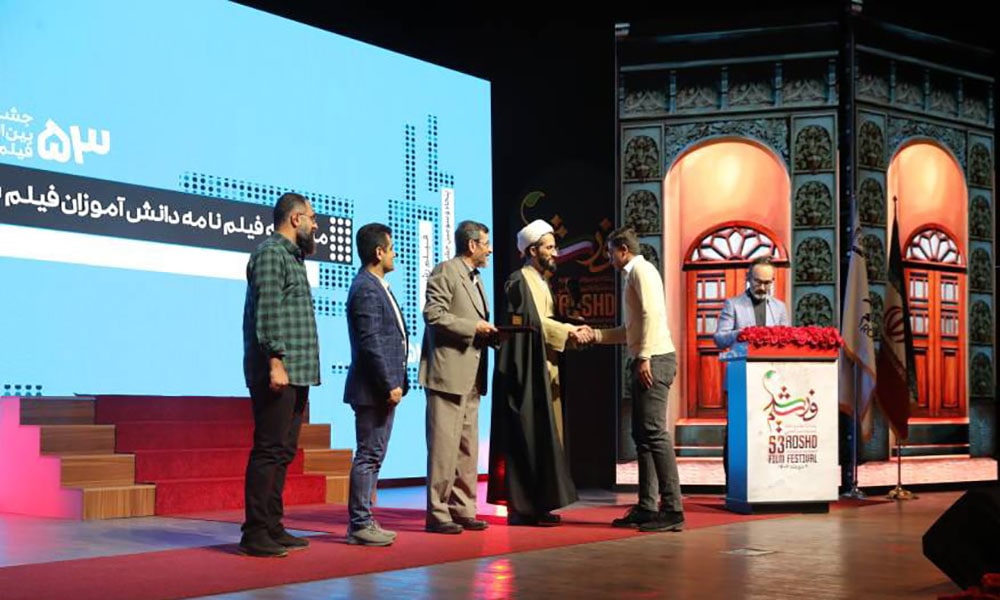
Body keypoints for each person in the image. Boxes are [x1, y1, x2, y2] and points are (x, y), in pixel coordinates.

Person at [488, 219, 593, 526]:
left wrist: (570, 326)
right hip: (525, 374)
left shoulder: (541, 280)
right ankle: (523, 508)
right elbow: (531, 325)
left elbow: (543, 322)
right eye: (549, 247)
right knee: (527, 438)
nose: (555, 253)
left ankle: (540, 504)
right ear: (532, 251)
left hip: (546, 367)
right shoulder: (518, 281)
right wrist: (569, 331)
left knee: (545, 439)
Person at [240, 192, 320, 557]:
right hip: (278, 370)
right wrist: (275, 362)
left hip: (297, 371)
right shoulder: (271, 254)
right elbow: (268, 312)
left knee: (283, 451)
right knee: (269, 449)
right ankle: (255, 531)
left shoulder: (293, 257)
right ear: (295, 218)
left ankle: (272, 525)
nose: (316, 226)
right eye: (312, 219)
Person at [592, 226, 684, 533]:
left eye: (610, 252)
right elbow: (630, 329)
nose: (608, 258)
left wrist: (644, 356)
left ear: (623, 250)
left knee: (654, 434)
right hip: (647, 358)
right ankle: (647, 506)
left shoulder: (642, 271)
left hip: (655, 359)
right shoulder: (632, 275)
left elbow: (651, 315)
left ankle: (673, 509)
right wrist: (595, 335)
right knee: (642, 436)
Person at [418, 220, 497, 534]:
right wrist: (473, 327)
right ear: (472, 245)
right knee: (443, 448)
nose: (490, 249)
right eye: (486, 244)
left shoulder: (476, 278)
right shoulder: (446, 271)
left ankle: (463, 508)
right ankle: (438, 513)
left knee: (467, 448)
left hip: (472, 374)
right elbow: (433, 314)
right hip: (447, 374)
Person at [344, 223, 409, 546]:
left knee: (374, 455)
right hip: (373, 389)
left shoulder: (377, 285)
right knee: (368, 455)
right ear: (379, 252)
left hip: (381, 388)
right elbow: (370, 342)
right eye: (392, 248)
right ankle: (359, 524)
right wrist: (388, 384)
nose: (395, 254)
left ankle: (365, 520)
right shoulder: (366, 288)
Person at [712, 256, 790, 483]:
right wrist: (744, 333)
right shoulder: (733, 304)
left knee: (769, 432)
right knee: (737, 433)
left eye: (767, 282)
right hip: (741, 380)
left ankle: (767, 482)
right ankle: (734, 483)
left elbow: (786, 339)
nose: (763, 287)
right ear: (748, 278)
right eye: (758, 282)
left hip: (771, 382)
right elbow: (719, 339)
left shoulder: (779, 307)